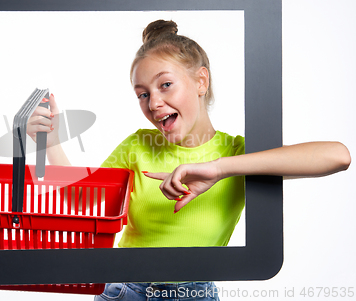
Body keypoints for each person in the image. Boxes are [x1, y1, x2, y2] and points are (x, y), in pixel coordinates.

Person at [26, 19, 351, 300]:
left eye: (166, 85)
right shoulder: (138, 145)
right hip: (123, 288)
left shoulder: (237, 152)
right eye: (143, 93)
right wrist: (50, 141)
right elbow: (82, 200)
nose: (154, 103)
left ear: (200, 81)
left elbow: (337, 156)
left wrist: (219, 169)